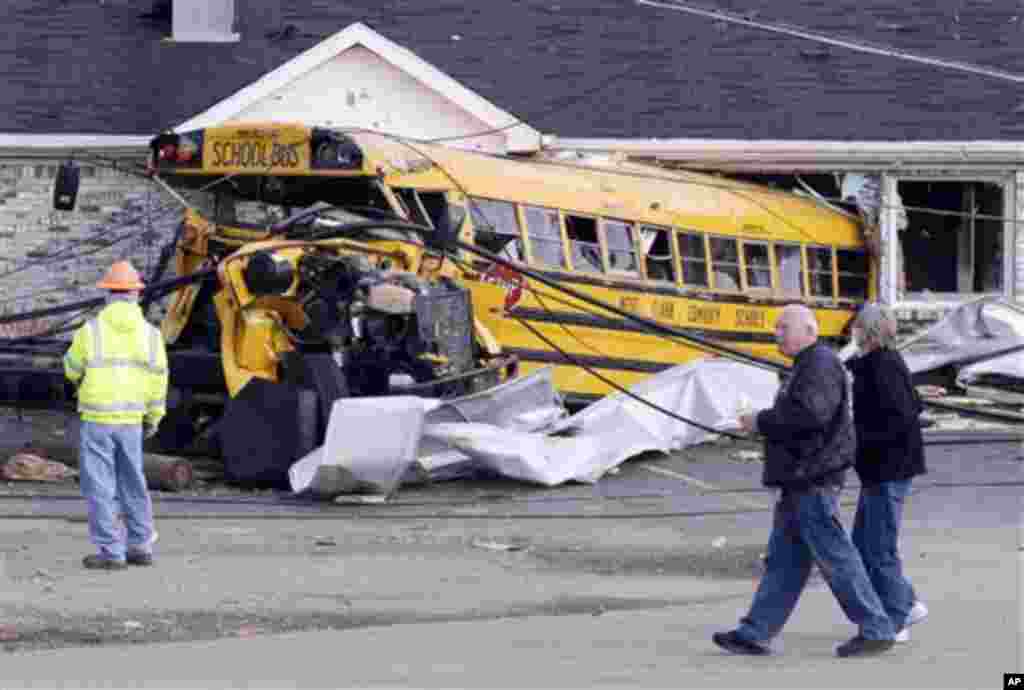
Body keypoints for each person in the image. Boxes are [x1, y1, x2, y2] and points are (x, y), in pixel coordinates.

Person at [714, 304, 896, 658]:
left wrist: (760, 422)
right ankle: (755, 632)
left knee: (835, 555)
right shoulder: (809, 365)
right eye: (777, 328)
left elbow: (811, 415)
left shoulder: (820, 363)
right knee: (786, 561)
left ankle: (877, 626)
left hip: (813, 477)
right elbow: (804, 418)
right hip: (801, 478)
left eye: (784, 327)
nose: (776, 334)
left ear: (808, 330)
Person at [64, 260, 168, 570]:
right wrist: (154, 416)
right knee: (133, 482)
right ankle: (140, 545)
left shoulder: (90, 331)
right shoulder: (151, 335)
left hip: (98, 419)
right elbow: (158, 379)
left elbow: (71, 368)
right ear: (136, 295)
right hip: (132, 421)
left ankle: (112, 552)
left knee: (100, 486)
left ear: (108, 295)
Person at [846, 303, 928, 642]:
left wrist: (855, 438)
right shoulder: (879, 363)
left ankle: (898, 617)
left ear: (866, 332)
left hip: (887, 468)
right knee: (865, 544)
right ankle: (905, 602)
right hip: (882, 469)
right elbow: (914, 406)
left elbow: (901, 417)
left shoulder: (882, 367)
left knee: (876, 547)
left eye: (855, 328)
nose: (851, 332)